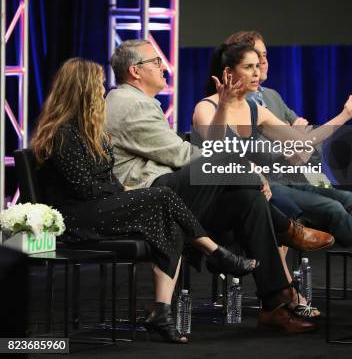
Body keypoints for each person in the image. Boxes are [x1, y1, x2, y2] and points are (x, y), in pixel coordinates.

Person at [105, 39, 334, 333]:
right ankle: (288, 230)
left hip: (168, 191)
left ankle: (275, 304)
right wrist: (247, 170)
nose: (164, 67)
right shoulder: (131, 104)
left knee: (248, 202)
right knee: (229, 164)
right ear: (135, 71)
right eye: (156, 62)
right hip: (149, 195)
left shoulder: (138, 101)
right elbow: (182, 155)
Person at [31, 58, 257, 344]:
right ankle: (214, 251)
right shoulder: (63, 134)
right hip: (76, 217)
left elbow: (106, 180)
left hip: (100, 207)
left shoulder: (92, 132)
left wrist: (126, 193)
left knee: (167, 219)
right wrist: (127, 196)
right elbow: (84, 189)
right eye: (98, 86)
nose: (103, 92)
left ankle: (160, 312)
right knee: (161, 195)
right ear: (83, 91)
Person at [222, 31, 352, 305]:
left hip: (292, 177)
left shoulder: (268, 99)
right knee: (334, 209)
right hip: (263, 187)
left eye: (264, 57)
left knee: (351, 199)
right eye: (252, 60)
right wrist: (284, 151)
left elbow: (304, 140)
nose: (262, 64)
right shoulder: (223, 105)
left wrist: (342, 117)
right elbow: (229, 154)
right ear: (234, 65)